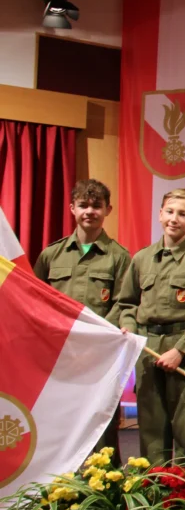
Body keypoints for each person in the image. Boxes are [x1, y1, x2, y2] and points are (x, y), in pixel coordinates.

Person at [117, 189, 185, 464]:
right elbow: (127, 303)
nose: (175, 219)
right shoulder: (141, 259)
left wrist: (181, 351)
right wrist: (128, 327)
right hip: (149, 349)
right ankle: (154, 500)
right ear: (160, 214)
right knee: (151, 432)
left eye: (183, 214)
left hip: (184, 350)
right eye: (170, 212)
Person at [34, 179, 131, 466]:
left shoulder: (119, 257)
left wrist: (96, 339)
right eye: (84, 205)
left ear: (108, 209)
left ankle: (105, 493)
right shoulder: (52, 254)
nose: (90, 211)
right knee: (59, 423)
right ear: (72, 208)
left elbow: (123, 303)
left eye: (96, 206)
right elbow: (37, 300)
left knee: (101, 425)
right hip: (60, 354)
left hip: (99, 356)